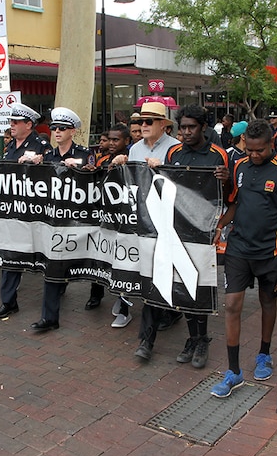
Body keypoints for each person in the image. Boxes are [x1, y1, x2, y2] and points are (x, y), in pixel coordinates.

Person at [210, 120, 277, 397]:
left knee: (267, 301)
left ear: (271, 144)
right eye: (249, 150)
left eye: (259, 150)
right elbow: (235, 203)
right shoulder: (239, 166)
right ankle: (233, 371)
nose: (254, 155)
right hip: (239, 247)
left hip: (270, 251)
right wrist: (218, 227)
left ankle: (264, 353)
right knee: (231, 305)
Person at [109, 101, 181, 360]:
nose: (143, 126)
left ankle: (172, 311)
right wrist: (121, 162)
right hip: (143, 218)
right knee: (150, 270)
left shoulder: (175, 148)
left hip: (169, 220)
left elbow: (182, 185)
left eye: (149, 122)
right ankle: (146, 338)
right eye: (141, 122)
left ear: (164, 125)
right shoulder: (136, 148)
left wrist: (163, 168)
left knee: (167, 269)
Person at [163, 105, 230, 368]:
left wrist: (225, 179)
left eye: (192, 127)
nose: (186, 132)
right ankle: (192, 337)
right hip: (178, 228)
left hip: (204, 231)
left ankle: (202, 339)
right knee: (183, 283)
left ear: (203, 127)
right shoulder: (173, 152)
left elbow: (229, 193)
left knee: (201, 285)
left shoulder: (218, 155)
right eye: (183, 128)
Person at [27, 107, 91, 332]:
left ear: (72, 131)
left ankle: (97, 295)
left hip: (78, 221)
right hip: (54, 221)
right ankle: (49, 318)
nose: (56, 132)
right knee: (52, 267)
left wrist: (82, 168)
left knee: (90, 264)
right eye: (54, 128)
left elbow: (96, 181)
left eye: (62, 128)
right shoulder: (47, 157)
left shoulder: (84, 153)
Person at [0, 104, 51, 321]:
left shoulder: (41, 145)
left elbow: (54, 172)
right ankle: (8, 302)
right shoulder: (9, 147)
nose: (11, 125)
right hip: (13, 211)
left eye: (16, 122)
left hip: (36, 211)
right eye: (11, 122)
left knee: (45, 255)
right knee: (10, 255)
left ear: (29, 124)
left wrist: (40, 162)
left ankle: (57, 290)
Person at [89, 123, 133, 327]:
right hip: (107, 221)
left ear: (127, 141)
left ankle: (125, 309)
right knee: (110, 263)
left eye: (117, 140)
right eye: (111, 139)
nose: (112, 143)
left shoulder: (132, 162)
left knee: (125, 264)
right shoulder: (103, 160)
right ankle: (117, 297)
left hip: (126, 223)